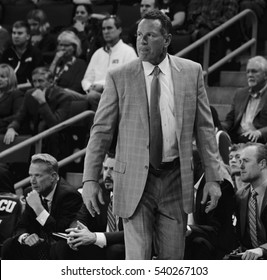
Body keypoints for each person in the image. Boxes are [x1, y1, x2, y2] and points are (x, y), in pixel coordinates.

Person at [82, 9, 223, 260]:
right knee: (138, 261)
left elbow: (204, 129)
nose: (141, 41)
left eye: (149, 36)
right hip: (135, 180)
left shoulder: (192, 72)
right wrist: (90, 179)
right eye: (138, 35)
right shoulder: (119, 76)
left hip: (175, 179)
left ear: (167, 40)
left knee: (172, 261)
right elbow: (101, 131)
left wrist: (213, 177)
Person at [1, 153, 82, 259]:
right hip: (39, 246)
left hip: (59, 247)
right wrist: (26, 237)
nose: (32, 181)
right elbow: (21, 226)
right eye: (30, 175)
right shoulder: (30, 192)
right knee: (9, 244)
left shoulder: (69, 195)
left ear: (53, 176)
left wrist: (38, 208)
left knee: (60, 248)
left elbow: (60, 232)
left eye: (37, 175)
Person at [51, 153, 125, 259]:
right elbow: (81, 218)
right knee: (61, 246)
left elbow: (129, 233)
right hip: (99, 245)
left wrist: (95, 237)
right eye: (105, 169)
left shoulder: (133, 197)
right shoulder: (96, 192)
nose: (107, 174)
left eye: (112, 169)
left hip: (122, 244)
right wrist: (75, 232)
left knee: (115, 250)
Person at [4, 67, 72, 159]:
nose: (37, 85)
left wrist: (43, 102)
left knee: (49, 134)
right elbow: (20, 116)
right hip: (36, 135)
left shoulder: (63, 96)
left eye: (40, 81)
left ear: (51, 82)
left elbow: (55, 125)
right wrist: (12, 128)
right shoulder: (30, 94)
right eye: (34, 81)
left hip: (56, 138)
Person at [81, 14, 137, 111]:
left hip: (115, 96)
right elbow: (86, 79)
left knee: (91, 97)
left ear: (119, 30)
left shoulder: (128, 52)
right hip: (93, 93)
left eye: (109, 28)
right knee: (66, 94)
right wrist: (90, 88)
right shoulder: (97, 53)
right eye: (103, 29)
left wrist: (103, 86)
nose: (106, 31)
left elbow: (130, 81)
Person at [230, 143, 267, 260]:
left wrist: (263, 250)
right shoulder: (240, 195)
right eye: (240, 161)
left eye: (245, 161)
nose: (240, 166)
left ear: (262, 164)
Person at [222, 56, 267, 144]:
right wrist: (219, 127)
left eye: (254, 71)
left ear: (265, 75)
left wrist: (259, 132)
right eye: (248, 72)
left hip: (259, 140)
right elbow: (230, 120)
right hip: (237, 138)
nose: (250, 75)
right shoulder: (240, 93)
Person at [0, 21, 44, 87]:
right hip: (7, 89)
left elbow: (39, 79)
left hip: (26, 90)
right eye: (14, 33)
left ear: (28, 36)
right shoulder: (7, 52)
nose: (16, 36)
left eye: (19, 33)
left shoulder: (35, 53)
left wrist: (16, 87)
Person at [49, 30, 87, 94]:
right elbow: (47, 78)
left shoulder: (80, 63)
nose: (62, 48)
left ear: (74, 47)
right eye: (60, 45)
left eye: (66, 45)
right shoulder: (57, 62)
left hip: (68, 95)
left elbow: (77, 87)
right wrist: (55, 61)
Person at [0, 63, 24, 134]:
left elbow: (18, 115)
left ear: (10, 78)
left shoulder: (17, 94)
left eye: (3, 77)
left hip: (7, 129)